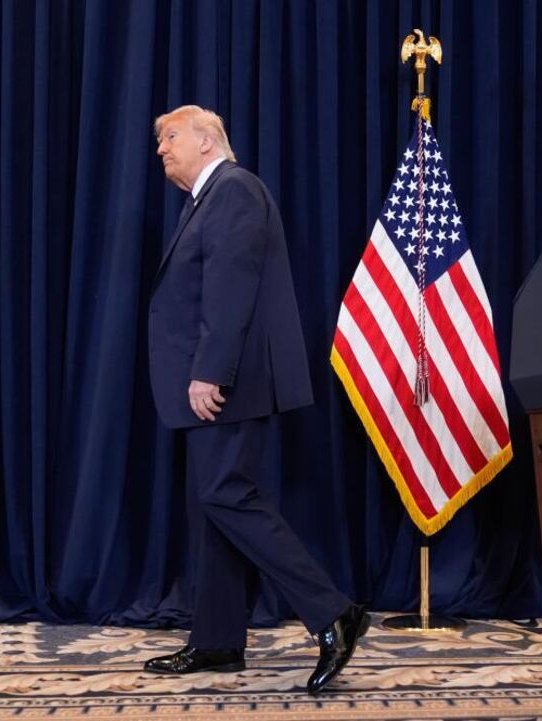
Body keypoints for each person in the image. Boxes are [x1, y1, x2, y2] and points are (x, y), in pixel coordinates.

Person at [144, 104, 368, 695]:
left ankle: (334, 612)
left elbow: (231, 286)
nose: (161, 149)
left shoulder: (234, 191)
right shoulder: (207, 200)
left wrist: (209, 372)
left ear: (207, 141)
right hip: (221, 381)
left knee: (227, 495)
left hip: (230, 383)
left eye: (171, 137)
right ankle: (217, 640)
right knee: (212, 508)